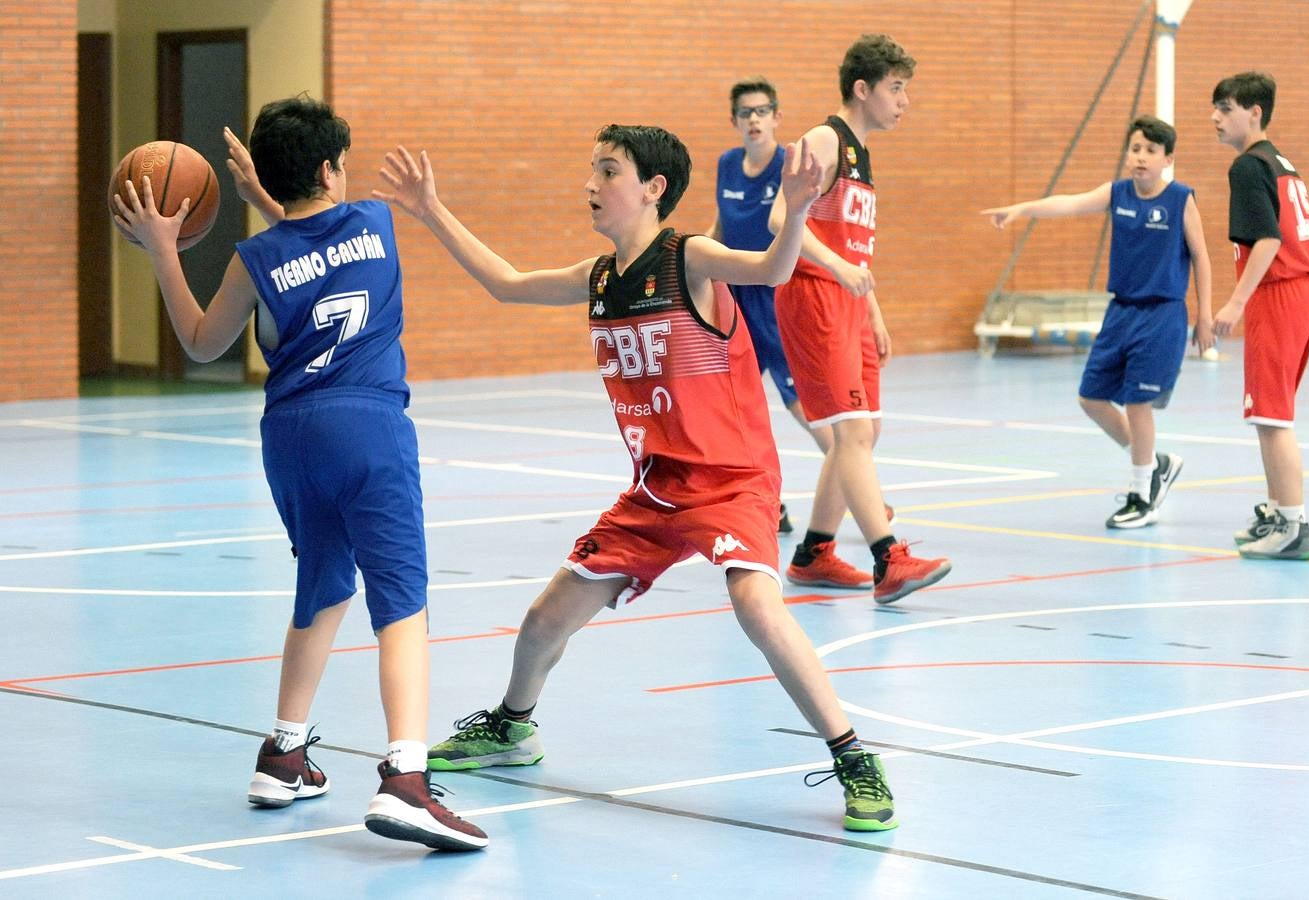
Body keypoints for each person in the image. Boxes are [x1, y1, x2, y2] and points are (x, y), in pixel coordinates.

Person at [373, 124, 898, 832]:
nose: (591, 183)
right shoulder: (596, 278)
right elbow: (506, 284)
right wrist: (431, 209)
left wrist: (799, 206)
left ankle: (853, 758)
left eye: (608, 170)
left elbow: (773, 270)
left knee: (758, 607)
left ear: (652, 189)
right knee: (542, 620)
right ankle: (512, 726)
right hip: (655, 488)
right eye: (591, 169)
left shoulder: (692, 259)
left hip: (733, 480)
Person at [112, 96, 488, 851]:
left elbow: (200, 341)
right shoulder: (377, 221)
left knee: (322, 584)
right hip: (369, 428)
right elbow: (324, 226)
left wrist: (162, 249)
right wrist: (269, 196)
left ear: (274, 180)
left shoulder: (255, 261)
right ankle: (407, 780)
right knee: (402, 600)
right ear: (329, 167)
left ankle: (283, 754)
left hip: (289, 438)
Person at [767, 34, 951, 603]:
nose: (904, 100)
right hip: (813, 295)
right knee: (849, 431)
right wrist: (839, 272)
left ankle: (814, 552)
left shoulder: (862, 156)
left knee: (865, 430)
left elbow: (850, 245)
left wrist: (872, 307)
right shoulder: (825, 139)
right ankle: (888, 558)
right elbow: (780, 219)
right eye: (896, 89)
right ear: (862, 89)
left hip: (846, 300)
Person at [981, 116, 1214, 529]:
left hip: (1162, 314)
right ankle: (1154, 463)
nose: (1141, 157)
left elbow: (1201, 257)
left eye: (1151, 151)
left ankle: (1142, 495)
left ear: (1168, 159)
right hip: (1121, 312)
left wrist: (1206, 316)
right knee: (1091, 398)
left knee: (1138, 403)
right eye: (1136, 149)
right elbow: (1067, 203)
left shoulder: (1180, 199)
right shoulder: (1117, 194)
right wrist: (1022, 209)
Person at [707, 76, 897, 537]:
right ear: (734, 121)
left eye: (762, 110)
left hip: (782, 296)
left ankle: (860, 490)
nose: (754, 119)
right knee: (732, 409)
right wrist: (694, 262)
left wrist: (870, 304)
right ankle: (760, 503)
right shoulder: (728, 165)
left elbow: (834, 236)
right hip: (734, 296)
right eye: (745, 112)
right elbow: (721, 226)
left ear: (776, 117)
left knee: (812, 410)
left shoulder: (793, 164)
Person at [1210, 72, 1309, 559]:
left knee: (1273, 417)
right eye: (1214, 107)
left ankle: (1294, 527)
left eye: (1226, 107)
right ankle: (1280, 513)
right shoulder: (1283, 163)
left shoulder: (1247, 166)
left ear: (1254, 112)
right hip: (1306, 290)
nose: (1216, 117)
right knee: (1268, 415)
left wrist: (1236, 301)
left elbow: (1269, 240)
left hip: (1279, 293)